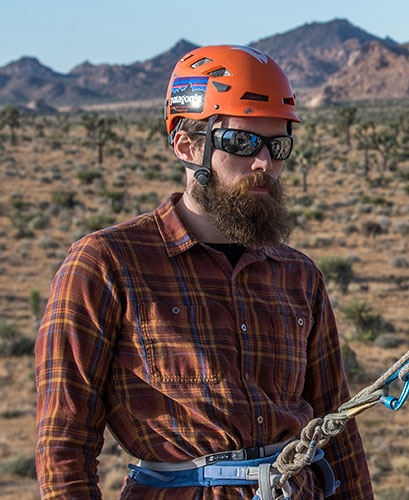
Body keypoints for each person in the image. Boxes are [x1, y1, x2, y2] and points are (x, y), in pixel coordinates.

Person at [35, 45, 373, 500]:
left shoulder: (298, 275)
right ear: (187, 144)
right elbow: (64, 445)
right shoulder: (107, 264)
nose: (263, 163)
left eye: (277, 145)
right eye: (241, 142)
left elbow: (338, 431)